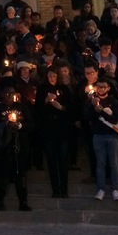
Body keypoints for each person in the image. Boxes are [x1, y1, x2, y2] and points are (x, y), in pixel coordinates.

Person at [0, 85, 33, 211]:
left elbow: (31, 125)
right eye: (7, 93)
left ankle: (23, 201)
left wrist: (19, 125)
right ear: (2, 95)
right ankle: (0, 201)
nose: (10, 96)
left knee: (21, 175)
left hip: (20, 146)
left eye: (12, 93)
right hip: (4, 148)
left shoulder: (22, 107)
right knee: (2, 176)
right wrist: (5, 125)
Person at [84, 78, 118, 201]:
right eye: (99, 86)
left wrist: (102, 112)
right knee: (100, 163)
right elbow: (86, 117)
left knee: (114, 163)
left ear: (108, 88)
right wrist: (92, 107)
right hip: (98, 134)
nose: (101, 89)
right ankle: (101, 189)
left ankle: (115, 189)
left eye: (104, 87)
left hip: (113, 135)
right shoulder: (92, 101)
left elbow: (115, 119)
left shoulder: (114, 102)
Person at [37, 67, 73, 198]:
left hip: (62, 129)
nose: (52, 78)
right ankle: (55, 189)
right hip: (48, 129)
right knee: (51, 161)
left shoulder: (64, 89)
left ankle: (64, 189)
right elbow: (37, 109)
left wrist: (61, 107)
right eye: (50, 76)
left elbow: (71, 108)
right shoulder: (42, 89)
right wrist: (46, 101)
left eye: (54, 76)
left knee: (63, 160)